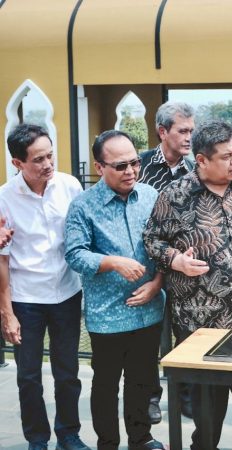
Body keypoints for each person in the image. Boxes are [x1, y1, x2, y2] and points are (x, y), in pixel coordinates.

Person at [143, 121, 232, 450]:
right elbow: (152, 240)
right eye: (226, 156)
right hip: (199, 317)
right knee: (207, 397)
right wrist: (176, 260)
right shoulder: (175, 195)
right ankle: (204, 444)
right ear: (202, 160)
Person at [64, 130, 166, 450]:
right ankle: (107, 443)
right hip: (107, 315)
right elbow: (74, 254)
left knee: (142, 380)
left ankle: (141, 439)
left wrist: (157, 284)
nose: (131, 171)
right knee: (106, 386)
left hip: (148, 308)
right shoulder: (83, 205)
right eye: (121, 166)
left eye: (135, 163)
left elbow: (165, 245)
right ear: (99, 167)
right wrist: (111, 262)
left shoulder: (150, 196)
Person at [0, 124, 90, 450]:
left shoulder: (69, 186)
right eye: (38, 159)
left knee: (67, 373)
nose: (48, 164)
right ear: (17, 163)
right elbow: (2, 260)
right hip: (26, 299)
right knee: (28, 376)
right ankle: (37, 439)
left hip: (66, 292)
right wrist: (7, 314)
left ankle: (68, 434)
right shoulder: (4, 198)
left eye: (50, 155)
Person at [139, 100, 195, 422]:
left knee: (186, 334)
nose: (189, 137)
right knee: (150, 337)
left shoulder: (195, 169)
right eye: (182, 131)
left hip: (185, 269)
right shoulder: (140, 166)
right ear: (163, 132)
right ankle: (150, 396)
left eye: (191, 130)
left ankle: (186, 396)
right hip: (147, 266)